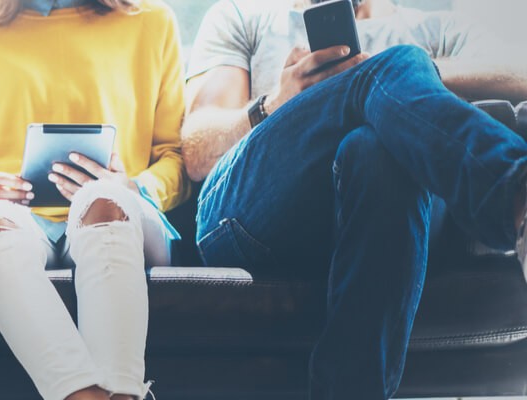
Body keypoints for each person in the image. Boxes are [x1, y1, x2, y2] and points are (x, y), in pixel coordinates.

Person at [181, 0, 527, 398]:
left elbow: (520, 73)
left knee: (374, 150)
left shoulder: (439, 30)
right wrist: (274, 102)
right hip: (250, 216)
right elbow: (197, 152)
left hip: (387, 212)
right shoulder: (243, 17)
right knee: (394, 74)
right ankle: (517, 200)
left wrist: (401, 74)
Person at [0, 0, 187, 398]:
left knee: (102, 197)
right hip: (12, 221)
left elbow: (175, 161)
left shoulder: (154, 22)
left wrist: (132, 186)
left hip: (117, 214)